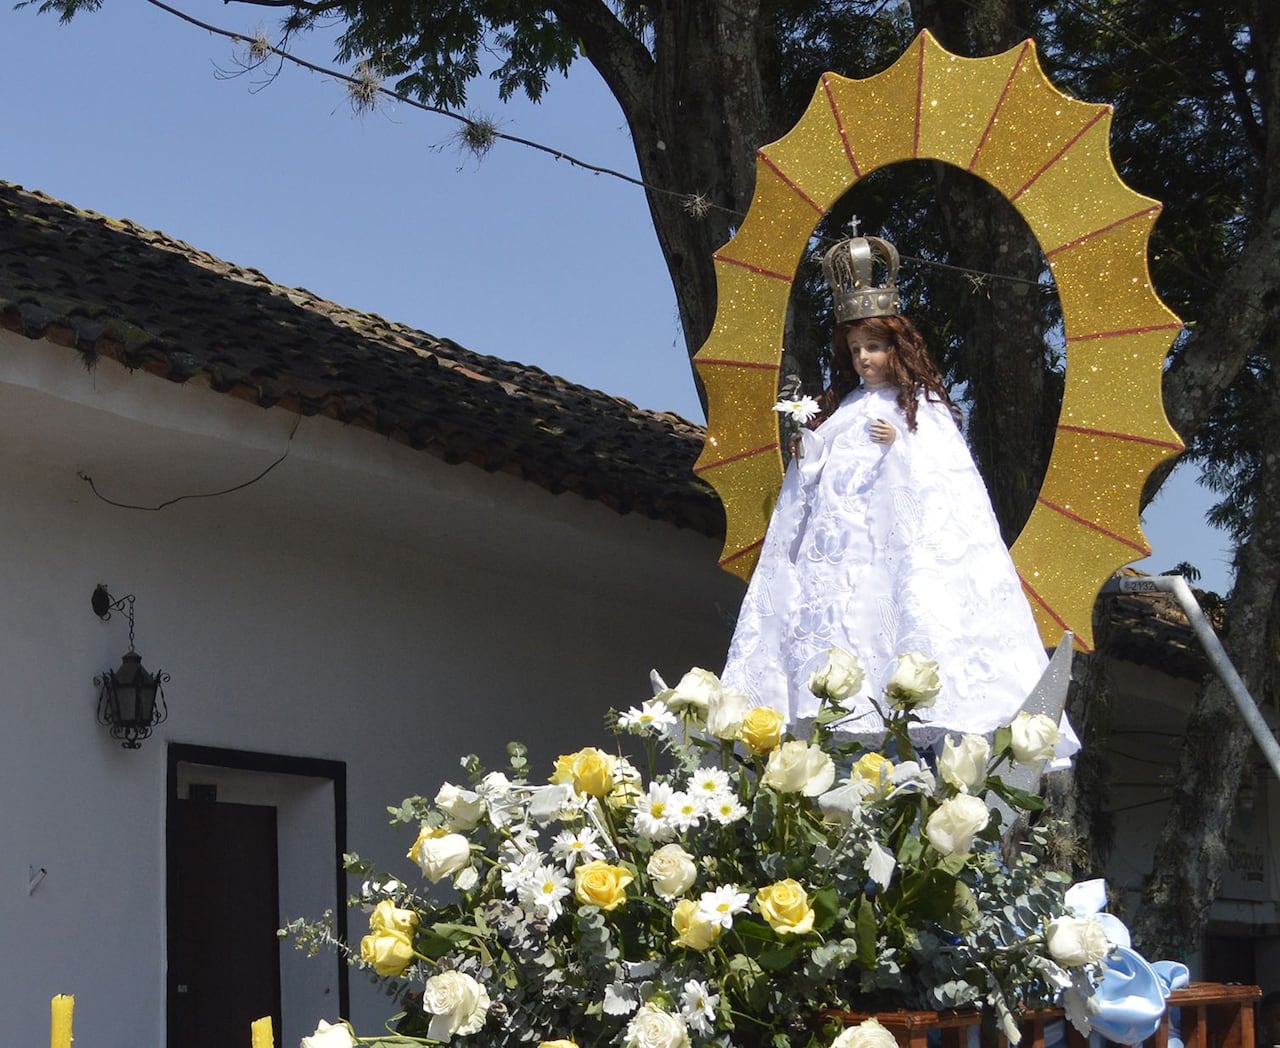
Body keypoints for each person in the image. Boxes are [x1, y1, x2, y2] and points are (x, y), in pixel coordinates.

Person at [721, 231, 1056, 748]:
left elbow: (945, 481)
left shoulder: (922, 407)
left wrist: (901, 444)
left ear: (896, 348)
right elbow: (814, 477)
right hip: (841, 553)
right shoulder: (847, 408)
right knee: (842, 631)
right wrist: (806, 452)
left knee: (898, 623)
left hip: (896, 548)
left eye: (872, 347)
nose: (863, 359)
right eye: (855, 350)